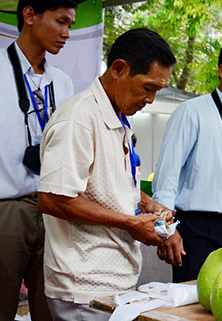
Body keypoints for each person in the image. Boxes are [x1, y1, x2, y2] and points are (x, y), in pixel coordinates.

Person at [37, 28, 176, 320]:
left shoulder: (119, 117)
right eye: (147, 87)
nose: (150, 99)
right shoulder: (78, 119)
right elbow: (53, 199)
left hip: (115, 282)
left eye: (157, 91)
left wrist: (150, 205)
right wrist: (130, 223)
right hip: (83, 288)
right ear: (118, 69)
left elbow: (112, 186)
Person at [152, 41, 222, 282]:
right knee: (192, 306)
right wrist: (165, 231)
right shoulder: (191, 112)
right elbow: (165, 179)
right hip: (196, 229)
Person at [0, 0, 76, 321]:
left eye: (71, 25)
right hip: (6, 209)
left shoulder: (62, 82)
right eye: (60, 22)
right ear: (30, 15)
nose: (66, 33)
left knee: (51, 309)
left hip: (52, 208)